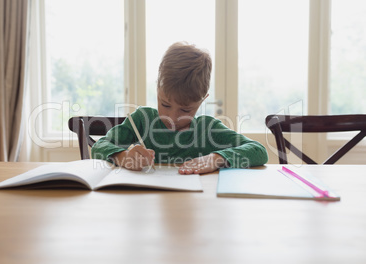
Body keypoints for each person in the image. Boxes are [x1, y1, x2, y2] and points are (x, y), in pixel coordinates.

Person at [91, 42, 268, 174]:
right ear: (157, 89)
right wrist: (123, 157)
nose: (172, 117)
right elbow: (99, 146)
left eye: (185, 110)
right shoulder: (141, 120)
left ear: (202, 100)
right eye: (165, 104)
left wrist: (217, 158)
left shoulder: (207, 129)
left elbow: (259, 151)